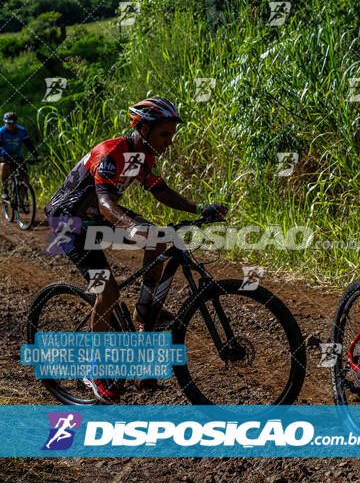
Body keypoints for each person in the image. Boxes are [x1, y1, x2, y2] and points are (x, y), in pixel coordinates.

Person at [44, 96, 228, 403]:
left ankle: (145, 316)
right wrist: (130, 226)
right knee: (108, 292)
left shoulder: (144, 155)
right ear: (142, 129)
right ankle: (94, 369)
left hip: (97, 216)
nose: (169, 141)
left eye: (172, 135)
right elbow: (105, 204)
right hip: (69, 222)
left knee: (157, 240)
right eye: (164, 134)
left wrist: (200, 208)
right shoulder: (111, 153)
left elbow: (161, 191)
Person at [0, 112, 44, 203]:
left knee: (26, 178)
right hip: (4, 156)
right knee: (4, 166)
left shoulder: (22, 131)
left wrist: (37, 156)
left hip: (17, 156)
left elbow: (29, 145)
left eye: (12, 123)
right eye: (8, 123)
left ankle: (21, 200)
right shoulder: (1, 132)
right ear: (4, 123)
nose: (10, 126)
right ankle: (4, 190)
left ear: (16, 122)